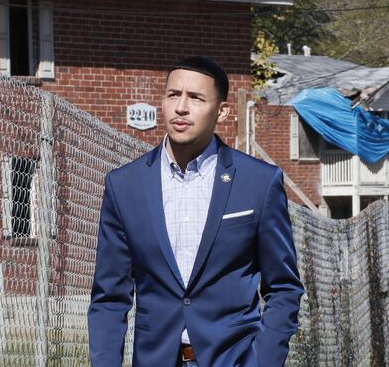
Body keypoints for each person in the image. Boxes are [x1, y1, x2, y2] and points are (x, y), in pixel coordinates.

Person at [88, 56, 304, 367]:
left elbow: (283, 287)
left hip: (234, 359)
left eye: (196, 98)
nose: (181, 107)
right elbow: (109, 297)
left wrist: (265, 360)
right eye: (173, 95)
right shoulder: (125, 185)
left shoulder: (258, 182)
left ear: (222, 111)